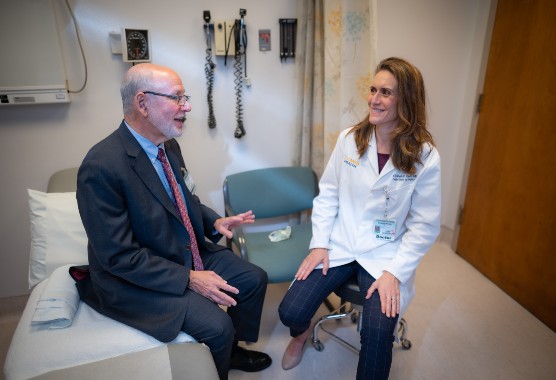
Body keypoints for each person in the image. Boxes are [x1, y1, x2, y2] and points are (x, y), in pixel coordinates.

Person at [75, 63, 272, 380]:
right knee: (217, 326)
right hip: (134, 275)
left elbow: (184, 200)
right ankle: (219, 358)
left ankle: (231, 351)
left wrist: (214, 221)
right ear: (143, 103)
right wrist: (190, 278)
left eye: (186, 97)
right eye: (177, 98)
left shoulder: (169, 145)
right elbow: (117, 257)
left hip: (177, 248)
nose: (188, 107)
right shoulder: (101, 167)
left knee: (252, 279)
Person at [278, 57, 441, 379]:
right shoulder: (350, 139)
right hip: (339, 243)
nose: (374, 100)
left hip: (384, 254)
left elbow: (425, 224)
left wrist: (395, 272)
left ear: (406, 100)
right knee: (291, 310)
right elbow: (328, 195)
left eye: (386, 93)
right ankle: (300, 335)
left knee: (378, 334)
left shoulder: (424, 155)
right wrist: (319, 244)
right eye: (373, 89)